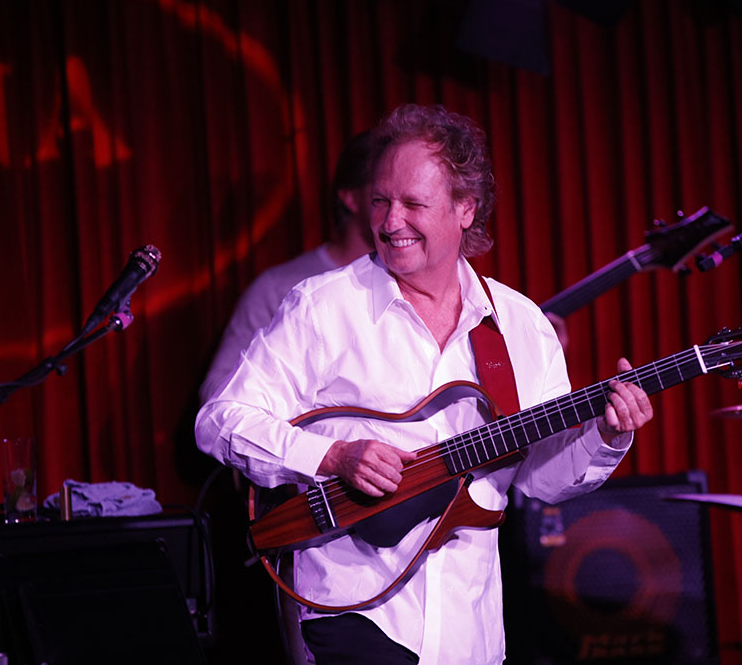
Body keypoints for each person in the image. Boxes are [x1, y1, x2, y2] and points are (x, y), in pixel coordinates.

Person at [195, 104, 653, 664]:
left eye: (413, 204)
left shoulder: (520, 324)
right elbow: (221, 420)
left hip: (470, 629)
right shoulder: (323, 307)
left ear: (466, 208)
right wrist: (333, 456)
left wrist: (606, 436)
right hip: (354, 613)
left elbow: (540, 480)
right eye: (381, 201)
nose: (389, 222)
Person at [199, 131, 376, 404]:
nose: (398, 203)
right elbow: (219, 393)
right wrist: (316, 437)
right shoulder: (279, 286)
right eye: (383, 191)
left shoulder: (412, 282)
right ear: (351, 198)